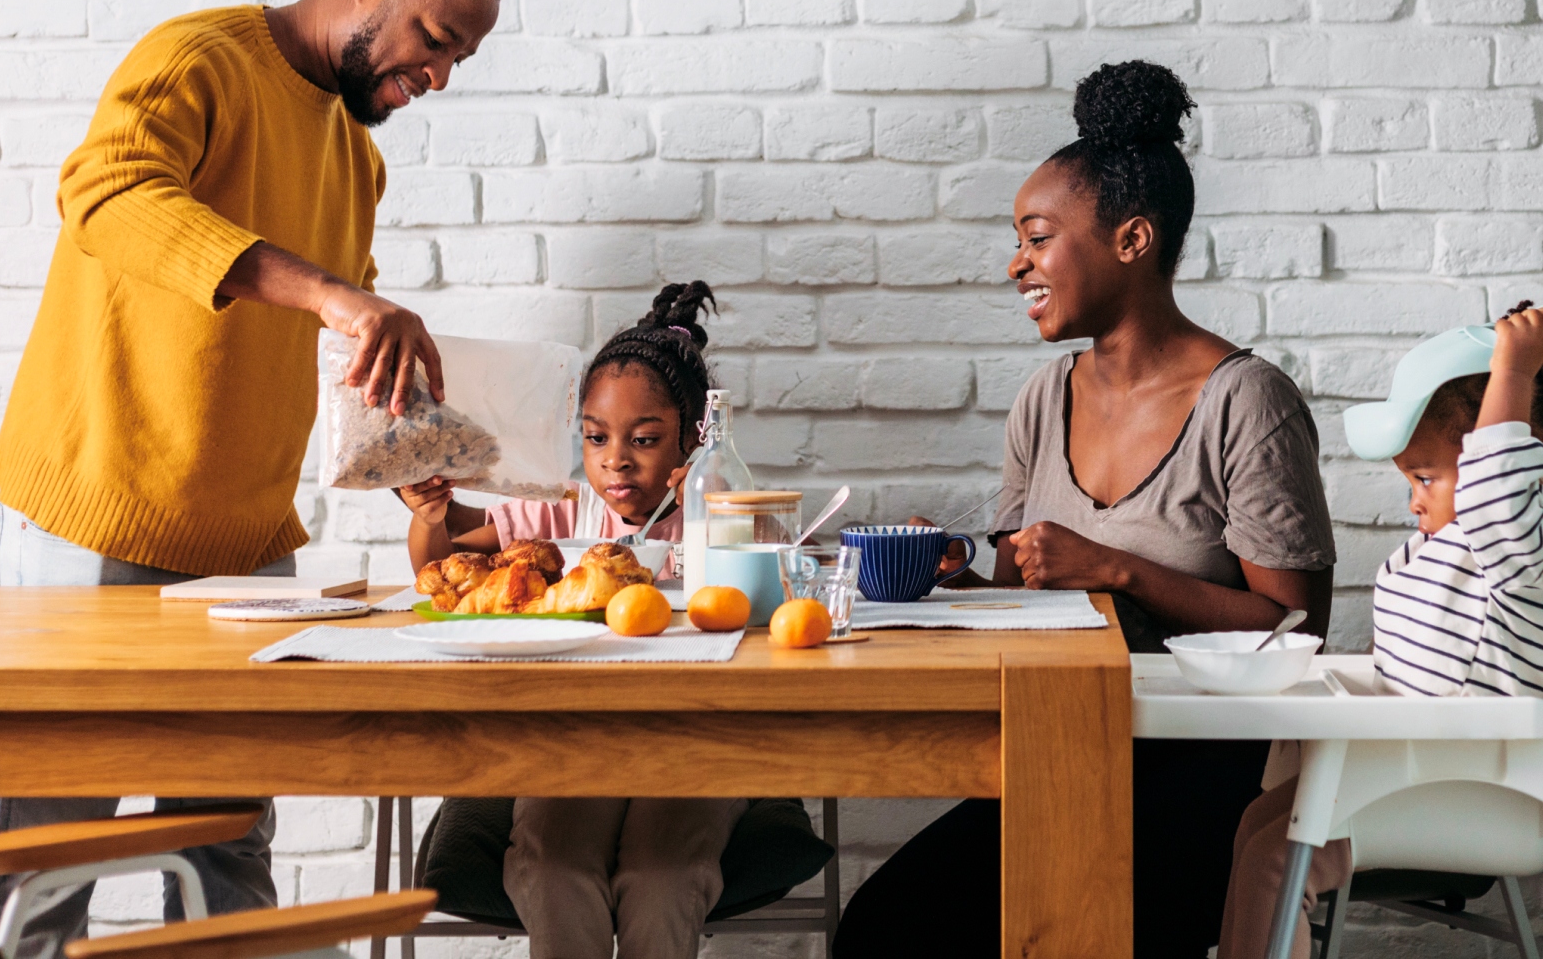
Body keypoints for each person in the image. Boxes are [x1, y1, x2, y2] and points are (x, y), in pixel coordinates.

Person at [0, 0, 504, 959]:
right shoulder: (199, 60)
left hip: (248, 541)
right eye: (436, 39)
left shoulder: (356, 158)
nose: (441, 76)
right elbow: (107, 194)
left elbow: (335, 333)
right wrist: (335, 294)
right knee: (54, 844)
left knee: (229, 839)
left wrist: (407, 452)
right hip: (96, 510)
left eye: (461, 58)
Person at [835, 60, 1338, 959]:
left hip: (1208, 770)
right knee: (881, 930)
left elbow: (1296, 633)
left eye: (1037, 237)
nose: (1016, 263)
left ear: (1133, 239)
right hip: (1062, 750)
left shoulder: (1246, 400)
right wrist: (950, 580)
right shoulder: (1042, 399)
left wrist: (1116, 569)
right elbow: (1021, 605)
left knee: (1070, 932)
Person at [401, 282, 746, 959]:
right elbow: (442, 568)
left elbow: (769, 599)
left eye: (645, 439)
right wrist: (430, 516)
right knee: (553, 868)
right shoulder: (561, 511)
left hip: (692, 745)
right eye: (595, 438)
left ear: (692, 440)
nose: (615, 459)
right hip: (569, 743)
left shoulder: (719, 515)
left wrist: (715, 508)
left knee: (661, 878)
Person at [1219, 305, 1543, 959]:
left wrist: (1513, 373)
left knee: (1278, 863)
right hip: (1424, 778)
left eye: (1426, 478)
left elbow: (1496, 493)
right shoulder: (1438, 552)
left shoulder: (1514, 549)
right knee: (1257, 826)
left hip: (1492, 795)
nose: (1413, 500)